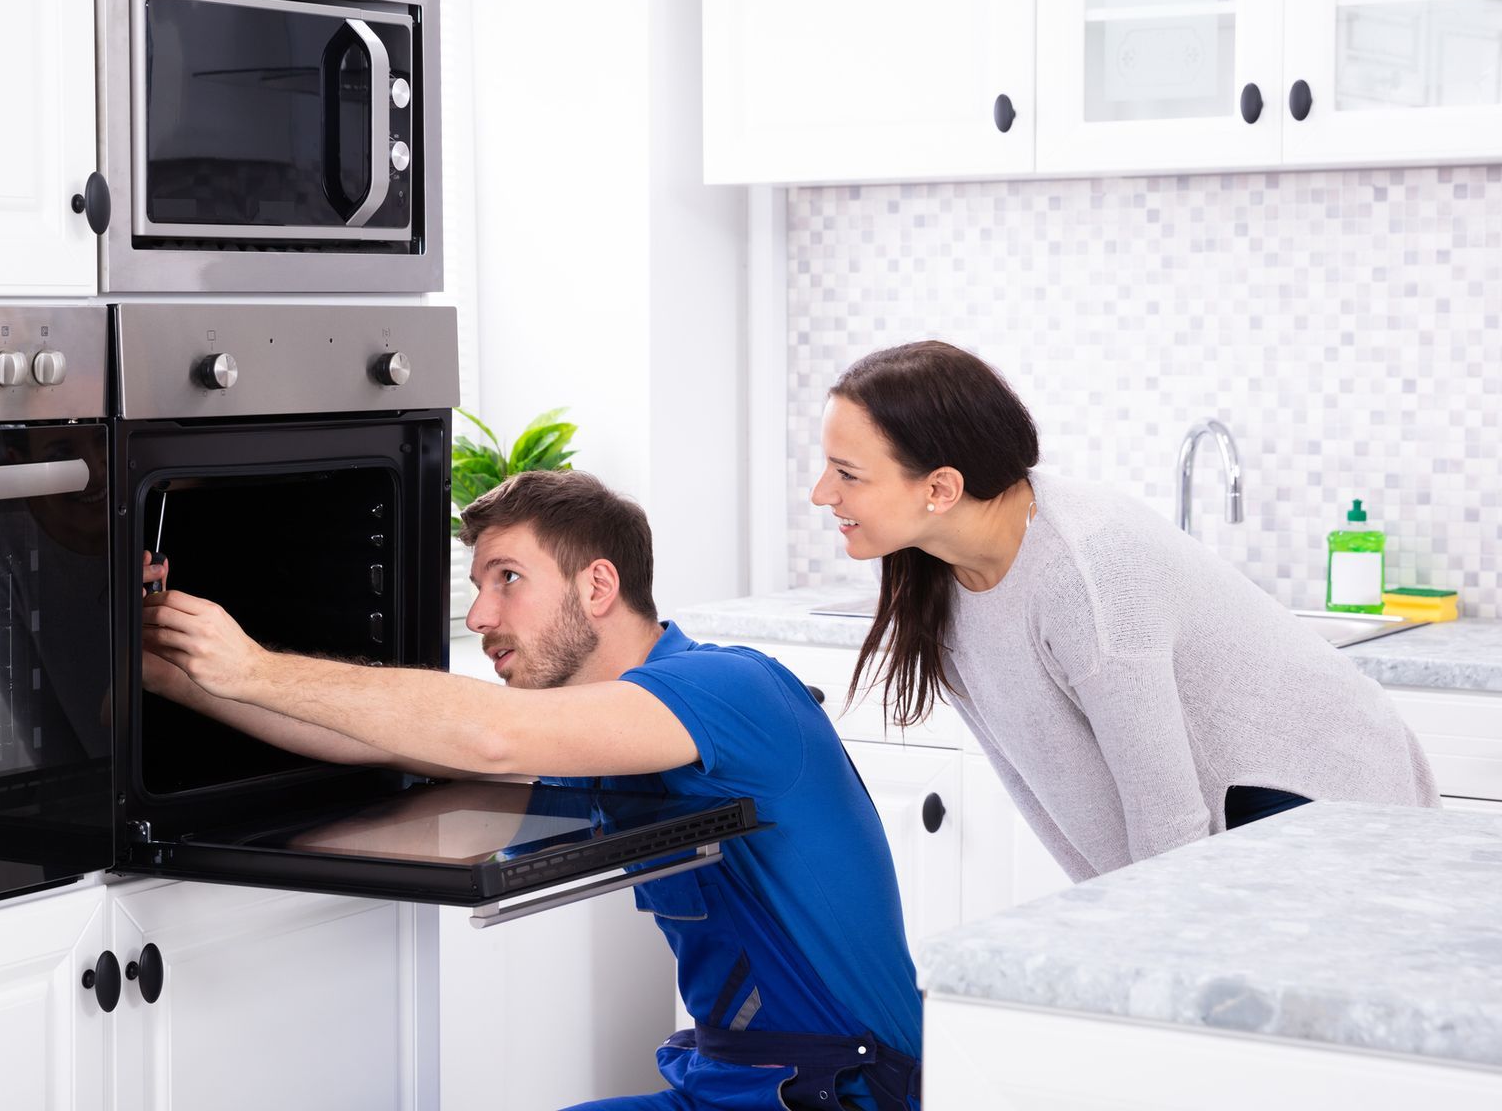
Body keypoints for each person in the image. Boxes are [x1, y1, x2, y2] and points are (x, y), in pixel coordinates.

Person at [141, 470, 923, 1111]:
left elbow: (491, 732)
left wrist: (255, 667)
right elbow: (370, 734)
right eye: (479, 584)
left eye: (507, 579)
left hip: (844, 1092)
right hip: (735, 1085)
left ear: (598, 586)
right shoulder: (589, 735)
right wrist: (174, 674)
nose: (480, 614)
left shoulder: (727, 688)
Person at [809, 340, 1438, 881]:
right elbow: (1047, 784)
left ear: (941, 488)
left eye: (848, 474)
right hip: (1216, 815)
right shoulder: (929, 567)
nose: (822, 494)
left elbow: (1168, 821)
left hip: (1313, 791)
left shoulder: (1088, 577)